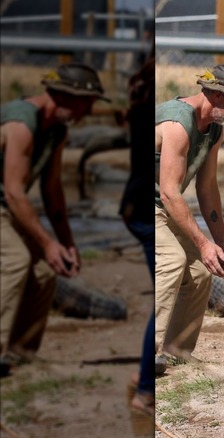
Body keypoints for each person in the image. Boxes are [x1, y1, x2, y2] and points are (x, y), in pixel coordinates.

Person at [0, 62, 108, 377]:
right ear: (65, 96)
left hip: (6, 204)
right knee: (17, 260)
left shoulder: (57, 130)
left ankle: (20, 355)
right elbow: (15, 192)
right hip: (7, 201)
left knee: (46, 272)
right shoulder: (22, 123)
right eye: (86, 102)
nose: (88, 111)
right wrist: (46, 243)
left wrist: (66, 244)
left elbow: (53, 191)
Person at [154, 63, 224, 367]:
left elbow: (207, 189)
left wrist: (222, 242)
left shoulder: (213, 131)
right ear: (217, 95)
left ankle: (176, 356)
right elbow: (170, 192)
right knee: (171, 261)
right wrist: (204, 244)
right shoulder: (178, 124)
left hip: (162, 206)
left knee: (201, 273)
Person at [118, 53, 155, 431]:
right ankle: (145, 391)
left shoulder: (142, 100)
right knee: (160, 302)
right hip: (143, 210)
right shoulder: (150, 108)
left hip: (136, 206)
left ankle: (140, 381)